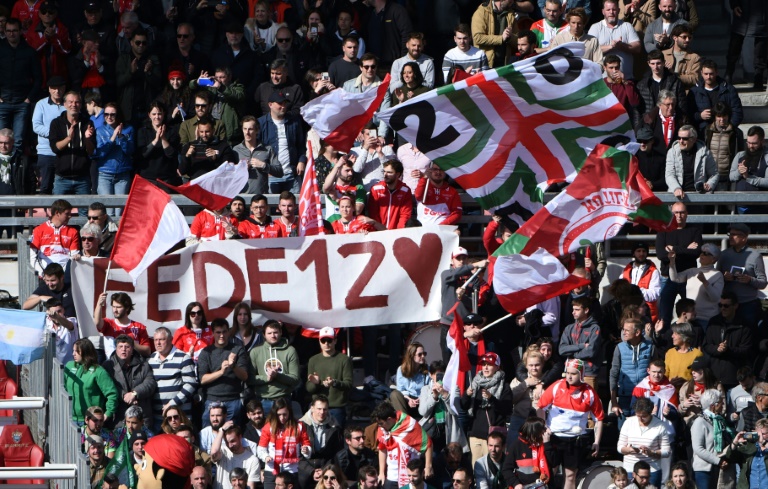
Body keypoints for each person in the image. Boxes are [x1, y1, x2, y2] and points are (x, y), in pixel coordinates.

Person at [538, 359, 605, 489]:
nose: (569, 376)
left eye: (573, 374)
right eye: (567, 373)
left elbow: (599, 419)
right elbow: (540, 407)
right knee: (550, 471)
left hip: (575, 440)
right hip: (554, 437)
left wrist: (596, 442)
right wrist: (544, 427)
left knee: (570, 475)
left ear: (581, 375)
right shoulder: (557, 386)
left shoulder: (589, 392)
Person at [655, 202, 704, 326]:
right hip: (667, 279)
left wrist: (674, 249)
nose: (679, 215)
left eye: (682, 212)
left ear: (687, 214)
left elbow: (696, 253)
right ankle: (664, 343)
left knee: (689, 316)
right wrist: (686, 249)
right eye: (676, 212)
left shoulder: (695, 231)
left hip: (689, 279)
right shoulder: (663, 230)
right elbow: (661, 255)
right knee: (664, 316)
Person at [461, 352, 512, 465]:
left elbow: (507, 409)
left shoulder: (504, 386)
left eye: (489, 364)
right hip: (476, 435)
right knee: (477, 470)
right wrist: (467, 395)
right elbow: (464, 406)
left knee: (495, 469)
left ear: (497, 367)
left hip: (494, 437)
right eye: (484, 364)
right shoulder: (476, 382)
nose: (486, 367)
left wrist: (491, 398)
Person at [198, 318, 250, 426]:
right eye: (218, 332)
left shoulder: (238, 349)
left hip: (233, 400)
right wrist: (221, 372)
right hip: (211, 401)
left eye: (224, 332)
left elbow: (245, 376)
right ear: (212, 333)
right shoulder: (206, 352)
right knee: (209, 436)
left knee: (233, 437)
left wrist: (233, 366)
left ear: (229, 332)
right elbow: (202, 379)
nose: (221, 335)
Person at [0, 17, 41, 153]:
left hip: (22, 102)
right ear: (4, 32)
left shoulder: (30, 52)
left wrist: (28, 99)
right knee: (1, 141)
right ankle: (3, 172)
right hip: (2, 101)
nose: (12, 34)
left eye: (15, 31)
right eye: (9, 31)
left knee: (18, 140)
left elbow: (38, 78)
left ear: (20, 31)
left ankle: (15, 172)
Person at [372, 401, 433, 489]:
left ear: (389, 419)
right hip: (392, 477)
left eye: (381, 423)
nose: (380, 426)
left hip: (411, 476)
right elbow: (382, 449)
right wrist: (381, 472)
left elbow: (427, 443)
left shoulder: (409, 425)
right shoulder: (382, 429)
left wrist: (428, 466)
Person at [717, 223, 767, 329]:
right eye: (730, 234)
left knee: (748, 334)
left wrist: (750, 280)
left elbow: (763, 282)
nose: (731, 237)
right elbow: (716, 278)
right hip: (728, 304)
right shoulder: (724, 254)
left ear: (744, 238)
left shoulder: (755, 256)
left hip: (748, 304)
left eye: (735, 234)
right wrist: (724, 278)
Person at [102, 335, 157, 426]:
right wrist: (124, 396)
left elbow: (150, 383)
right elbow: (108, 386)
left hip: (141, 418)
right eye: (120, 347)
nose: (123, 349)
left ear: (132, 349)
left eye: (127, 347)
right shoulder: (107, 365)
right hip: (118, 418)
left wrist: (134, 394)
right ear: (116, 349)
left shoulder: (144, 364)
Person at [257, 397, 311, 489]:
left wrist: (306, 450)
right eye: (279, 415)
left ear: (289, 412)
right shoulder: (268, 427)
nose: (282, 418)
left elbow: (307, 444)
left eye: (284, 414)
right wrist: (265, 456)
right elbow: (261, 448)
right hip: (272, 469)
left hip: (291, 469)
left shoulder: (299, 426)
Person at [258, 91, 306, 194]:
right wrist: (265, 168)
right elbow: (257, 149)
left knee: (295, 206)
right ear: (270, 105)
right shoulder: (261, 123)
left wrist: (301, 161)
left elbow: (301, 145)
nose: (283, 107)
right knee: (271, 206)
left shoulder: (294, 122)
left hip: (292, 173)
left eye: (284, 103)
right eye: (280, 104)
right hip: (270, 175)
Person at [49, 90, 96, 194]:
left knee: (84, 210)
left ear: (81, 105)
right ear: (64, 104)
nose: (73, 105)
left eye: (77, 102)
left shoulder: (88, 123)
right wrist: (68, 138)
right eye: (70, 102)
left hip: (82, 179)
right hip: (61, 179)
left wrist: (87, 139)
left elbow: (91, 151)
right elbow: (55, 148)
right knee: (59, 210)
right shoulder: (56, 123)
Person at [149, 326, 197, 429]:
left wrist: (172, 404)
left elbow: (191, 385)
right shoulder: (151, 359)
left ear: (171, 340)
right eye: (156, 340)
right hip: (158, 418)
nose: (158, 343)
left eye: (162, 339)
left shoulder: (183, 358)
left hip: (179, 417)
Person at [703, 292, 753, 390]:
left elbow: (746, 350)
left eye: (726, 305)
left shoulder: (744, 325)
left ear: (735, 306)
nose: (722, 308)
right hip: (714, 375)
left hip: (734, 376)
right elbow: (706, 345)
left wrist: (728, 350)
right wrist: (717, 349)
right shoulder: (714, 322)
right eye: (720, 305)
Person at [249, 320, 300, 414]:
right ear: (264, 335)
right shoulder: (255, 352)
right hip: (263, 400)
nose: (273, 335)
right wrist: (267, 378)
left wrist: (277, 375)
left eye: (275, 332)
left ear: (281, 332)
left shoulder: (290, 351)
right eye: (269, 333)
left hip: (284, 399)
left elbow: (295, 379)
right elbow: (250, 378)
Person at [610, 318, 656, 423]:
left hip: (645, 396)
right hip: (625, 396)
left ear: (637, 332)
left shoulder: (650, 347)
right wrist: (613, 401)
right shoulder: (620, 348)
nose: (623, 332)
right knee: (622, 432)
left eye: (627, 330)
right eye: (623, 329)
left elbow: (655, 371)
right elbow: (613, 374)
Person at [64, 338, 118, 426]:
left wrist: (107, 414)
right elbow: (64, 389)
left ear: (86, 352)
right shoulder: (69, 366)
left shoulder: (98, 371)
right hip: (70, 418)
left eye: (77, 351)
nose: (73, 354)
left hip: (91, 421)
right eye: (73, 350)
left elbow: (112, 394)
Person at [617, 398, 670, 487]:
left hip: (652, 471)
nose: (640, 419)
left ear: (650, 413)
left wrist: (652, 452)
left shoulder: (660, 426)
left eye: (644, 416)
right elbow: (620, 447)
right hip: (630, 469)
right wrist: (629, 450)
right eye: (638, 416)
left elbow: (667, 451)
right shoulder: (628, 423)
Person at [307, 327, 353, 426]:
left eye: (329, 340)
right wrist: (316, 383)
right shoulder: (313, 360)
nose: (326, 343)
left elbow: (349, 384)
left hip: (336, 407)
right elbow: (309, 388)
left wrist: (334, 383)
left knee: (336, 438)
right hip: (317, 408)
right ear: (319, 342)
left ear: (335, 341)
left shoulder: (344, 360)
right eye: (323, 340)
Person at [669, 243, 724, 326]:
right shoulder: (692, 271)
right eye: (701, 252)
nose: (702, 255)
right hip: (690, 318)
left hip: (707, 319)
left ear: (713, 259)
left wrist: (705, 282)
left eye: (706, 253)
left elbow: (715, 298)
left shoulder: (718, 275)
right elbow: (675, 278)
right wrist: (672, 261)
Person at [93, 103, 134, 214]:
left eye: (112, 114)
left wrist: (121, 137)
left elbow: (129, 151)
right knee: (108, 211)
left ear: (118, 115)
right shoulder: (99, 130)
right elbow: (100, 153)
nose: (109, 117)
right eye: (106, 114)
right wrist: (112, 138)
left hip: (122, 173)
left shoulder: (128, 129)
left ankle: (117, 232)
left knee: (119, 211)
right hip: (105, 173)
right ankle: (108, 232)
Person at [691, 389, 734, 489]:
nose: (723, 404)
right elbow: (698, 448)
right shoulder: (699, 422)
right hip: (704, 471)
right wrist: (718, 461)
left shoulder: (719, 421)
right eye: (720, 402)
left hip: (718, 468)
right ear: (712, 405)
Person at [299, 395, 345, 489]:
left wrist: (325, 470)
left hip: (327, 465)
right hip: (305, 464)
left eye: (325, 409)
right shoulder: (301, 426)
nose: (322, 412)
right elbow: (297, 455)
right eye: (319, 409)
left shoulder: (334, 427)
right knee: (301, 480)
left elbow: (336, 452)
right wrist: (311, 471)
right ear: (312, 408)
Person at [690, 60, 743, 139]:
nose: (708, 77)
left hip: (725, 133)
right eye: (706, 74)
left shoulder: (729, 90)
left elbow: (737, 111)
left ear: (717, 73)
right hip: (703, 133)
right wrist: (699, 115)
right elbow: (688, 113)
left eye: (711, 74)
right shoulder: (694, 92)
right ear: (701, 73)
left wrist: (730, 126)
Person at [342, 53, 391, 139]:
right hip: (354, 131)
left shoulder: (384, 88)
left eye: (373, 66)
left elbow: (384, 113)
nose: (370, 69)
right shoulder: (348, 86)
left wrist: (381, 135)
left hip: (375, 129)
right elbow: (345, 112)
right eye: (366, 67)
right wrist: (354, 130)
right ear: (361, 67)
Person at [588, 0, 641, 79]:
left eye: (614, 9)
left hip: (626, 79)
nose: (611, 12)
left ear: (619, 10)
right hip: (603, 80)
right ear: (603, 12)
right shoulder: (595, 27)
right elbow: (590, 50)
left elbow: (638, 47)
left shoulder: (627, 26)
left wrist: (622, 46)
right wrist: (610, 47)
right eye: (608, 10)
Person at [31, 75, 66, 194]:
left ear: (64, 88)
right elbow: (36, 126)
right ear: (49, 89)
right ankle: (44, 213)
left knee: (62, 188)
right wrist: (54, 135)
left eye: (60, 88)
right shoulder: (41, 104)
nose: (57, 91)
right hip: (46, 152)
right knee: (45, 187)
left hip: (64, 153)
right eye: (54, 88)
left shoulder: (69, 104)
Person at [558, 297, 603, 389]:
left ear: (586, 310)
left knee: (588, 401)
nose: (573, 312)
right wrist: (581, 346)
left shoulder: (594, 328)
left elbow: (591, 351)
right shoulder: (569, 328)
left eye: (577, 309)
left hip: (588, 373)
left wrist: (572, 354)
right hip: (571, 371)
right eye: (573, 309)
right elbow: (562, 350)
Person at [27, 199, 79, 277]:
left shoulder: (73, 232)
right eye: (67, 214)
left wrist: (63, 275)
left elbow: (74, 256)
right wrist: (43, 275)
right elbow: (33, 257)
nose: (70, 216)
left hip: (64, 276)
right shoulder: (39, 230)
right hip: (44, 276)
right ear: (57, 213)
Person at [135, 101, 181, 188]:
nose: (157, 117)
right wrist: (155, 140)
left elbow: (171, 154)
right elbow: (142, 154)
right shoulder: (142, 131)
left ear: (164, 114)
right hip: (147, 178)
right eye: (154, 114)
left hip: (166, 179)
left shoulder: (172, 131)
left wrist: (163, 138)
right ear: (149, 115)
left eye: (159, 114)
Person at [665, 125, 719, 199]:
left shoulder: (705, 152)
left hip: (699, 197)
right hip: (677, 196)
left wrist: (709, 185)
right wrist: (676, 188)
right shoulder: (672, 152)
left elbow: (714, 174)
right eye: (679, 138)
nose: (681, 141)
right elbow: (669, 175)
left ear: (693, 139)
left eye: (685, 139)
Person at [500, 417, 555, 489]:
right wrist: (515, 483)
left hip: (544, 485)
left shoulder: (546, 444)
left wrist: (547, 444)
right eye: (543, 430)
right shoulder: (516, 446)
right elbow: (506, 469)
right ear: (534, 432)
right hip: (523, 486)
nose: (546, 432)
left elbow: (554, 463)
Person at [234, 115, 282, 195]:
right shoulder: (236, 150)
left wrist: (264, 165)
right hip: (241, 198)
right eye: (245, 129)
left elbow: (279, 172)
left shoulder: (267, 149)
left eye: (250, 129)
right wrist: (240, 169)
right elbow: (229, 175)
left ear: (257, 130)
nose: (247, 132)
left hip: (261, 198)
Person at [94, 292, 152, 357]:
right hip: (112, 365)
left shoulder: (139, 327)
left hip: (133, 365)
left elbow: (147, 351)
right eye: (113, 307)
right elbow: (97, 323)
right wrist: (99, 304)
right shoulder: (108, 324)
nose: (115, 310)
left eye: (118, 307)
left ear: (127, 308)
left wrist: (132, 344)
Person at [705, 103, 744, 190]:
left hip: (726, 177)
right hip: (709, 176)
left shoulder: (736, 133)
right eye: (719, 116)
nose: (722, 119)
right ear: (715, 116)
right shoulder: (707, 131)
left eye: (724, 116)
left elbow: (740, 153)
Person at [212, 420, 261, 489]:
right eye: (227, 442)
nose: (230, 445)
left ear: (240, 437)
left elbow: (251, 486)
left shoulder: (252, 460)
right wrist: (221, 430)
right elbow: (214, 452)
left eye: (232, 441)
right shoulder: (223, 452)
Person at [367, 159, 413, 230]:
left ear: (398, 174)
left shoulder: (405, 190)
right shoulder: (376, 189)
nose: (385, 175)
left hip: (397, 232)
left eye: (389, 172)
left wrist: (399, 232)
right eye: (384, 172)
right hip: (378, 231)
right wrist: (380, 229)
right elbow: (373, 213)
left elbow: (405, 214)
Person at [471, 0, 518, 68]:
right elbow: (477, 38)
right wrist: (501, 38)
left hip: (505, 64)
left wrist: (510, 37)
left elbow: (518, 40)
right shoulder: (481, 12)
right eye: (510, 1)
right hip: (486, 64)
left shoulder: (511, 14)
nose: (513, 1)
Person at [621, 242, 661, 322]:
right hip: (628, 312)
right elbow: (620, 289)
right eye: (638, 251)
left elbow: (655, 294)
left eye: (644, 251)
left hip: (646, 313)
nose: (641, 253)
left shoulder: (653, 271)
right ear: (633, 253)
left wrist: (636, 291)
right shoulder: (626, 270)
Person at [726, 419, 768, 489]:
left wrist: (763, 444)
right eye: (758, 434)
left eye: (763, 434)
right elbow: (730, 458)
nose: (760, 436)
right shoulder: (748, 448)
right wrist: (735, 443)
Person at [390, 342, 428, 419]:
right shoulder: (401, 369)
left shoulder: (427, 369)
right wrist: (409, 399)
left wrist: (420, 398)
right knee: (394, 394)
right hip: (407, 399)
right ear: (411, 356)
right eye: (419, 354)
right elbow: (401, 390)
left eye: (424, 353)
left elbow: (429, 388)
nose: (423, 356)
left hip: (422, 400)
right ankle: (405, 422)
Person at [44, 297, 77, 365]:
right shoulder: (45, 323)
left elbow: (69, 325)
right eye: (54, 312)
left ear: (63, 310)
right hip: (52, 368)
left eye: (59, 311)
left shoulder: (72, 320)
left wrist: (56, 316)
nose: (57, 314)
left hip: (70, 366)